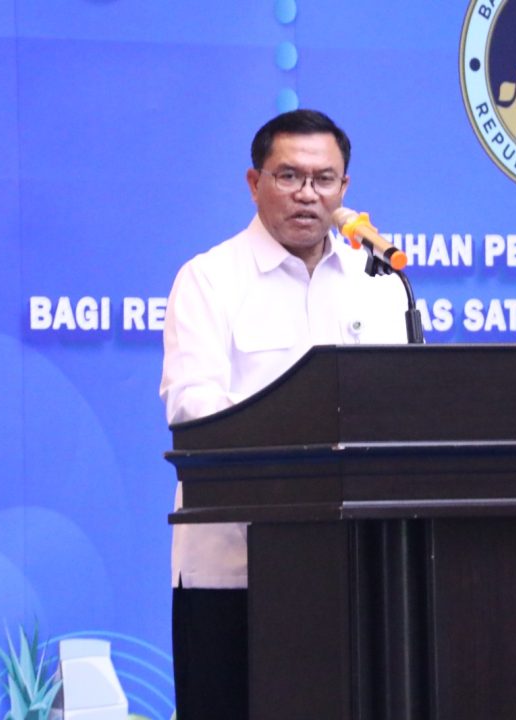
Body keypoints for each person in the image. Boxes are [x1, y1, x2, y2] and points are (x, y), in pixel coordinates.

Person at [159, 109, 409, 718]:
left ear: (345, 188)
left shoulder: (379, 287)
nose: (307, 194)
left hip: (357, 570)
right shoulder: (209, 280)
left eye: (324, 179)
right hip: (235, 575)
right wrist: (299, 437)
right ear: (255, 183)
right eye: (289, 176)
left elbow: (403, 412)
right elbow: (194, 410)